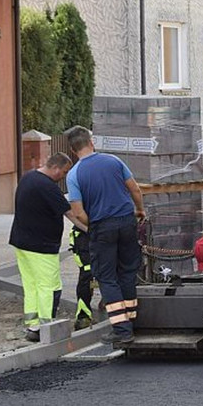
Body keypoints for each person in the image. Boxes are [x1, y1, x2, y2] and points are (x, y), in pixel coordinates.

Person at [64, 125, 146, 347]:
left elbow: (79, 212)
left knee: (107, 276)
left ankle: (121, 330)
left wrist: (96, 225)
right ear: (91, 143)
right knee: (128, 271)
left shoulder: (74, 175)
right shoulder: (114, 161)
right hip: (127, 221)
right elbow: (135, 189)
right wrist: (140, 210)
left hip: (102, 227)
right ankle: (131, 320)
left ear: (73, 150)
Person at [9, 152, 81, 342]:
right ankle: (46, 327)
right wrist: (90, 230)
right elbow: (70, 214)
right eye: (64, 172)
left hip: (21, 242)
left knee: (31, 285)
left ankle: (32, 326)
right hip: (41, 246)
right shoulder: (47, 186)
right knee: (49, 287)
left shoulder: (28, 178)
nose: (64, 177)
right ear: (55, 168)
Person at [68, 224, 96, 330]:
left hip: (102, 232)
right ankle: (83, 316)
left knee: (107, 271)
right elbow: (77, 214)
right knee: (87, 274)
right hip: (84, 236)